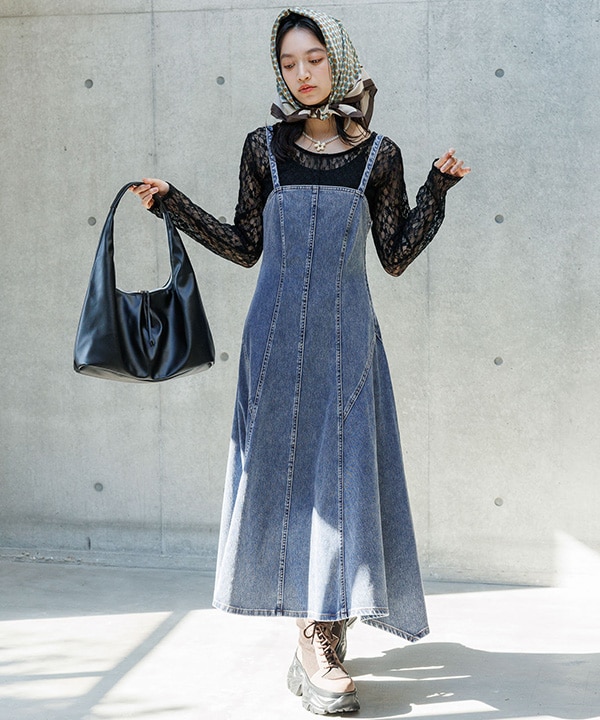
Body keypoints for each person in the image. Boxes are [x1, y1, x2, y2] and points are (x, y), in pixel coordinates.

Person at [131, 6, 470, 715]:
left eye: (314, 59)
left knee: (343, 484)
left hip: (348, 345)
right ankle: (314, 638)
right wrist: (173, 205)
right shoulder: (263, 148)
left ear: (337, 60)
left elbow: (396, 257)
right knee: (290, 485)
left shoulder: (379, 156)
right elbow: (244, 245)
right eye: (289, 63)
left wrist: (435, 193)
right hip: (275, 344)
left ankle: (325, 634)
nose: (302, 74)